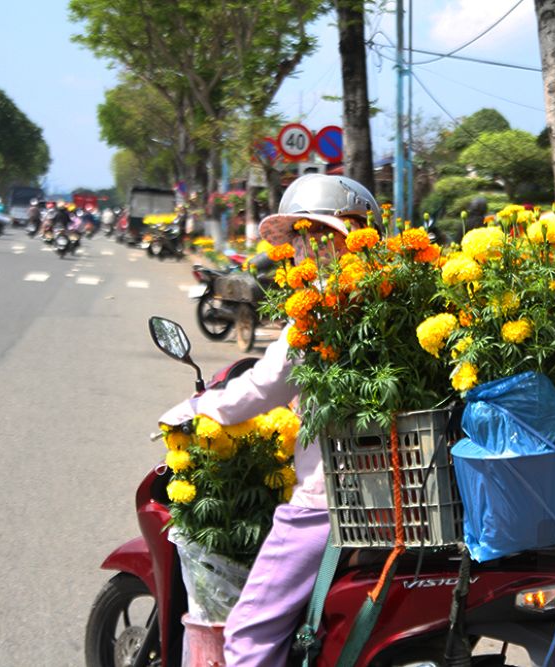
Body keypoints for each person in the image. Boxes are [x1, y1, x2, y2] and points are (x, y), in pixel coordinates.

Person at [159, 174, 380, 666]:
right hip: (398, 498)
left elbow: (261, 388)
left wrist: (194, 410)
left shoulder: (322, 306)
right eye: (300, 235)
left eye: (311, 234)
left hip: (328, 503)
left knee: (247, 633)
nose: (303, 247)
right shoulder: (392, 296)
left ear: (339, 238)